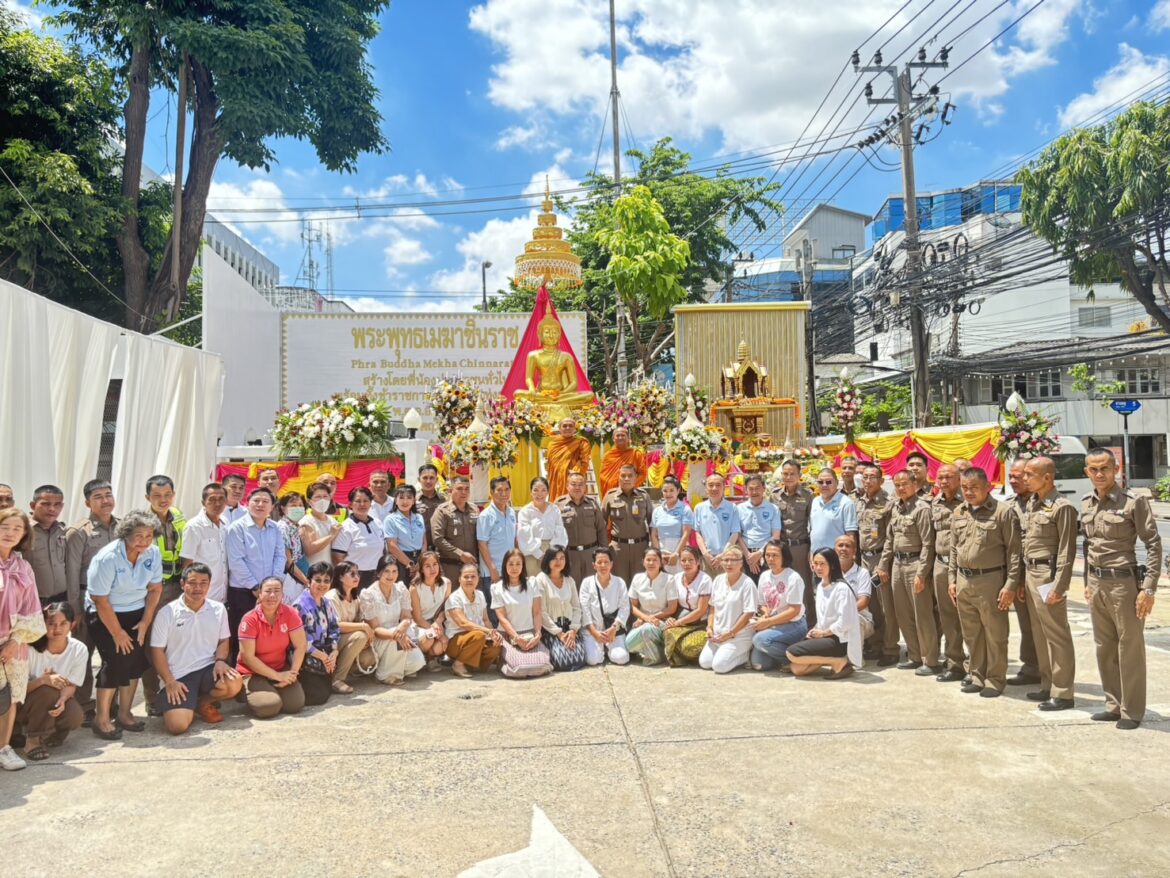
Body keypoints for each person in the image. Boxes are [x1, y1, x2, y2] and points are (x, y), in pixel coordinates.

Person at [1080, 448, 1162, 729]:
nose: (1099, 474)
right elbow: (1087, 547)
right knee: (1104, 648)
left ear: (1116, 469)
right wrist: (1087, 584)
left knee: (1129, 648)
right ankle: (1113, 704)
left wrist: (1148, 589)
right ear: (1086, 472)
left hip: (1123, 584)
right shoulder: (1086, 504)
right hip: (1097, 583)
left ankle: (1132, 711)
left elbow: (1153, 544)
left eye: (1104, 468)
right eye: (1093, 469)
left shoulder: (1132, 503)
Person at [85, 510, 163, 740]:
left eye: (149, 536)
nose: (145, 541)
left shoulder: (153, 553)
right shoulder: (107, 557)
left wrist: (145, 622)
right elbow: (100, 599)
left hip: (136, 613)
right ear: (126, 534)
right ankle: (101, 720)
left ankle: (125, 714)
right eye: (139, 535)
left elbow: (155, 589)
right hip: (106, 614)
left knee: (135, 662)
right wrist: (117, 633)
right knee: (115, 662)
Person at [948, 467, 1021, 699]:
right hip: (963, 580)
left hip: (991, 580)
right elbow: (953, 549)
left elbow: (1014, 552)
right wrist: (952, 579)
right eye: (965, 488)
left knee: (995, 633)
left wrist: (1010, 584)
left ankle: (995, 679)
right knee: (972, 633)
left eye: (974, 488)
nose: (969, 492)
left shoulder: (1003, 512)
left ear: (987, 487)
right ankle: (977, 675)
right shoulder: (959, 512)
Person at [149, 564, 242, 734]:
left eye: (203, 583)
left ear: (209, 585)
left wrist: (220, 661)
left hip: (207, 668)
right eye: (192, 583)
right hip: (178, 675)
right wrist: (170, 682)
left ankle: (201, 703)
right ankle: (184, 705)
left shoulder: (218, 609)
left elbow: (223, 640)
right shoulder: (167, 613)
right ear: (182, 584)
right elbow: (157, 651)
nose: (197, 588)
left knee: (234, 682)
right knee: (177, 726)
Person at [1021, 456, 1078, 711]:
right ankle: (1048, 684)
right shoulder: (1033, 504)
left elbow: (1067, 550)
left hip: (1048, 575)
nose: (1024, 478)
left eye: (1029, 474)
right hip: (1031, 573)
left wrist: (1060, 585)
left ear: (1047, 477)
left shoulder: (1061, 506)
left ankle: (1063, 692)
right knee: (1039, 634)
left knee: (1057, 635)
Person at [64, 478, 118, 720]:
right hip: (88, 600)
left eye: (108, 495)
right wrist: (76, 611)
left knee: (114, 654)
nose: (105, 500)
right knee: (84, 655)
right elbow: (72, 574)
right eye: (98, 497)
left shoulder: (123, 527)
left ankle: (110, 704)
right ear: (87, 502)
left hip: (117, 601)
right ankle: (83, 706)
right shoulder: (78, 532)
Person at [877, 470, 938, 674]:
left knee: (922, 614)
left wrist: (922, 573)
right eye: (897, 484)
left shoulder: (922, 509)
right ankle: (913, 655)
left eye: (905, 484)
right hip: (897, 565)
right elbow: (889, 540)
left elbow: (928, 544)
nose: (901, 488)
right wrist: (883, 564)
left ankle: (930, 659)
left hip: (915, 564)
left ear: (915, 484)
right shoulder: (896, 508)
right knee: (902, 614)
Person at [0, 509, 47, 770]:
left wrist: (15, 641)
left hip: (14, 644)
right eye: (5, 526)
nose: (10, 533)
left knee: (11, 699)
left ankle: (4, 748)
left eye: (17, 529)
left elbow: (32, 607)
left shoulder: (23, 567)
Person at [140, 474, 187, 711]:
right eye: (157, 495)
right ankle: (151, 698)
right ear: (147, 497)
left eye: (167, 495)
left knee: (175, 641)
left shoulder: (179, 517)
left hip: (178, 586)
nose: (163, 499)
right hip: (151, 590)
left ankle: (180, 691)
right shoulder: (141, 522)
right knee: (151, 644)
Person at [19, 603, 86, 760]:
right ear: (43, 625)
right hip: (23, 704)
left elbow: (71, 685)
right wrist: (43, 680)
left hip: (53, 699)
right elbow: (18, 690)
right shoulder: (29, 649)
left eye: (63, 623)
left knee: (75, 715)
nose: (57, 629)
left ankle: (52, 734)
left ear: (72, 624)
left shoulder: (79, 649)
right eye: (51, 624)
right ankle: (32, 740)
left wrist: (62, 700)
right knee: (47, 691)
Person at [225, 488, 285, 663]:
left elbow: (280, 555)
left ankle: (266, 670)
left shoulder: (275, 528)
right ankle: (240, 676)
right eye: (256, 500)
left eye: (265, 501)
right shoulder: (236, 528)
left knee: (266, 635)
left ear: (272, 506)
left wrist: (273, 585)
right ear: (247, 503)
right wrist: (256, 588)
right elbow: (236, 561)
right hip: (243, 592)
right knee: (242, 636)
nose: (260, 505)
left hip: (270, 592)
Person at [237, 576, 308, 719]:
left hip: (280, 668)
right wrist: (277, 676)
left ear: (282, 594)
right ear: (260, 594)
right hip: (253, 673)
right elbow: (248, 657)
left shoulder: (290, 613)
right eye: (268, 591)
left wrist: (292, 674)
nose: (272, 595)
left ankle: (270, 691)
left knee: (295, 705)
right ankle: (245, 692)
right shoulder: (249, 619)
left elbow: (301, 645)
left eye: (277, 591)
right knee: (269, 707)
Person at [786, 547, 863, 678]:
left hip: (840, 639)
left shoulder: (841, 588)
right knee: (797, 669)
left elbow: (845, 622)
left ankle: (840, 661)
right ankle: (835, 662)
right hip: (825, 636)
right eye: (815, 564)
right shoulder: (821, 586)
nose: (818, 568)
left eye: (822, 564)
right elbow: (823, 618)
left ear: (832, 565)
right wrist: (816, 630)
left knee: (791, 653)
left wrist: (823, 633)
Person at [361, 555, 426, 684]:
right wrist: (396, 634)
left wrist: (403, 626)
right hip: (379, 638)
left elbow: (406, 616)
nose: (391, 575)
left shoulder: (401, 589)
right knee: (396, 639)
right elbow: (375, 629)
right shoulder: (368, 594)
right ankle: (386, 675)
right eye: (386, 571)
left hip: (400, 632)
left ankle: (397, 666)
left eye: (394, 571)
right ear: (379, 573)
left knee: (417, 662)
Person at [855, 464, 897, 665]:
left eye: (873, 477)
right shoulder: (859, 501)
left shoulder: (888, 503)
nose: (868, 480)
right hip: (863, 559)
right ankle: (875, 643)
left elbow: (891, 537)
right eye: (865, 477)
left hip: (880, 559)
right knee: (870, 605)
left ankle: (890, 648)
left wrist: (883, 564)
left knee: (885, 605)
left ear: (881, 481)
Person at [929, 464, 967, 683]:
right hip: (941, 565)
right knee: (948, 617)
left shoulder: (968, 501)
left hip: (964, 568)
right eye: (940, 478)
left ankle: (975, 663)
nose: (944, 481)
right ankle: (954, 663)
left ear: (959, 478)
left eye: (949, 477)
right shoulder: (934, 503)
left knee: (969, 617)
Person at [1005, 459, 1040, 686]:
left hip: (1041, 573)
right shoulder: (1009, 505)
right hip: (1018, 573)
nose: (1013, 480)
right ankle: (1031, 668)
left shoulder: (1044, 503)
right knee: (1026, 625)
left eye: (1019, 476)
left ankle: (1050, 672)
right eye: (1012, 476)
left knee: (1045, 626)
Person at [492, 548, 553, 678]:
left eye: (518, 564)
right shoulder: (497, 588)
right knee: (519, 668)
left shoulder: (532, 583)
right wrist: (516, 638)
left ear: (523, 566)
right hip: (509, 636)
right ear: (504, 565)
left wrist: (537, 634)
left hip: (530, 635)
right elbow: (502, 618)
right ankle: (503, 660)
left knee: (542, 665)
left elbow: (537, 612)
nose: (514, 568)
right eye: (511, 564)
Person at [808, 469, 860, 616]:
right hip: (817, 561)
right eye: (821, 482)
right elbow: (813, 531)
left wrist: (848, 559)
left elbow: (850, 535)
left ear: (837, 483)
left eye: (829, 482)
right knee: (821, 599)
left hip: (836, 561)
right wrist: (811, 555)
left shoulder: (846, 503)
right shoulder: (815, 502)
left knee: (838, 602)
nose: (824, 485)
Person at [749, 541, 807, 672]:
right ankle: (784, 650)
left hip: (794, 624)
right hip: (773, 624)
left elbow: (794, 610)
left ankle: (795, 659)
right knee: (760, 665)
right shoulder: (764, 576)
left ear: (784, 557)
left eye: (775, 555)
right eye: (768, 555)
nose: (770, 559)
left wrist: (768, 622)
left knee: (759, 640)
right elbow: (762, 604)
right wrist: (765, 613)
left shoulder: (793, 578)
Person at [698, 548, 756, 673]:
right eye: (726, 560)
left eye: (734, 560)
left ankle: (745, 656)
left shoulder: (747, 583)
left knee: (719, 666)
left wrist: (730, 633)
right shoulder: (718, 580)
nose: (729, 564)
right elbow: (712, 607)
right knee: (705, 663)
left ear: (741, 563)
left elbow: (748, 613)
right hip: (718, 635)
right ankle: (725, 653)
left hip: (738, 635)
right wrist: (709, 627)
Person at [295, 563, 345, 703]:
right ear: (309, 580)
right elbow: (301, 641)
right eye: (317, 580)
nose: (322, 584)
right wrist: (324, 657)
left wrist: (334, 651)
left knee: (323, 694)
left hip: (325, 654)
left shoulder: (327, 603)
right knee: (317, 697)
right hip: (307, 656)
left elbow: (334, 628)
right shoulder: (300, 605)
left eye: (326, 581)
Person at [444, 563, 503, 677]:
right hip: (456, 642)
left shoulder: (480, 595)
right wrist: (487, 631)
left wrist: (493, 634)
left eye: (473, 576)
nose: (469, 579)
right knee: (479, 635)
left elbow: (486, 620)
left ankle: (471, 665)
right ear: (459, 579)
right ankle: (458, 664)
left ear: (478, 578)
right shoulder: (454, 598)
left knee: (496, 647)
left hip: (478, 639)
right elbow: (463, 623)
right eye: (466, 577)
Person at [324, 561, 376, 686]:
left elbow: (359, 620)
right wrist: (363, 627)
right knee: (360, 636)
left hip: (346, 639)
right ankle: (337, 679)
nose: (356, 577)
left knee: (370, 657)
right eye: (352, 574)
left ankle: (346, 672)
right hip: (331, 642)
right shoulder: (332, 597)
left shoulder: (355, 598)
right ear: (341, 577)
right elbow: (336, 626)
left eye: (358, 574)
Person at [535, 547, 586, 671]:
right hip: (551, 630)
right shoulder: (541, 579)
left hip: (569, 629)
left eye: (562, 558)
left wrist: (573, 630)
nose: (558, 561)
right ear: (547, 560)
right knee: (561, 661)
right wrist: (559, 634)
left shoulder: (569, 580)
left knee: (580, 658)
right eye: (554, 558)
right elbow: (542, 612)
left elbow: (576, 608)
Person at [775, 459, 814, 620]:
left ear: (799, 475)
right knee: (782, 585)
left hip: (800, 547)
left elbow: (813, 523)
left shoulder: (808, 496)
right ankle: (783, 620)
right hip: (781, 547)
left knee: (803, 585)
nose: (788, 477)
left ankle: (809, 622)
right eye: (785, 473)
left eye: (792, 474)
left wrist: (811, 549)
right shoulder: (774, 495)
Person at [625, 548, 678, 665]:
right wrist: (645, 618)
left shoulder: (669, 579)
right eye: (648, 560)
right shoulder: (637, 578)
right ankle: (657, 651)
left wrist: (650, 618)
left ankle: (655, 657)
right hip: (643, 622)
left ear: (661, 562)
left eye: (655, 560)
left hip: (662, 622)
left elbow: (672, 608)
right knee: (628, 645)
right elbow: (632, 606)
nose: (651, 563)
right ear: (643, 562)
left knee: (648, 629)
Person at [602, 463, 652, 585]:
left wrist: (652, 546)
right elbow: (601, 524)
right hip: (618, 548)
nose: (626, 479)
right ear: (618, 477)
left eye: (630, 476)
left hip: (640, 547)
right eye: (623, 475)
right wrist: (603, 548)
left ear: (636, 477)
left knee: (641, 583)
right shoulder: (610, 496)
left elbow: (652, 523)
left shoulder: (644, 496)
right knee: (619, 583)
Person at [579, 547, 631, 666]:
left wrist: (614, 628)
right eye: (599, 562)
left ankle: (608, 649)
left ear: (611, 564)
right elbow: (584, 609)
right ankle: (601, 649)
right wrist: (594, 632)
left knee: (622, 658)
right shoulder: (587, 583)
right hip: (593, 630)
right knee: (593, 660)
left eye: (606, 562)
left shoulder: (619, 582)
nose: (603, 565)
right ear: (594, 565)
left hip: (613, 629)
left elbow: (625, 607)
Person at [663, 545, 713, 667]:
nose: (687, 563)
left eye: (690, 560)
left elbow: (701, 610)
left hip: (700, 623)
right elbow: (672, 605)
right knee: (666, 632)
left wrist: (678, 622)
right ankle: (678, 657)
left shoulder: (705, 580)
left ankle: (687, 656)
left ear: (698, 561)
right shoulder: (676, 578)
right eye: (683, 560)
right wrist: (671, 619)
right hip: (681, 620)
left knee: (688, 646)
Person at [477, 477, 517, 622]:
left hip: (510, 569)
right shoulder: (486, 515)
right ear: (492, 492)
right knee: (495, 609)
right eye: (499, 490)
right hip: (492, 572)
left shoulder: (511, 512)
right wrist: (492, 569)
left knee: (510, 607)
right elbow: (482, 543)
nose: (503, 494)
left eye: (507, 490)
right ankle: (498, 641)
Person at [180, 483, 229, 603]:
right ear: (203, 503)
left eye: (221, 499)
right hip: (202, 595)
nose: (217, 503)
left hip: (222, 593)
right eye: (212, 500)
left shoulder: (225, 523)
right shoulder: (194, 527)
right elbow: (187, 562)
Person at [557, 471, 607, 586]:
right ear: (567, 486)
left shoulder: (593, 504)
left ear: (585, 486)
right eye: (573, 484)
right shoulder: (559, 505)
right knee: (572, 587)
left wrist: (603, 552)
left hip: (590, 553)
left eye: (580, 484)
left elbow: (601, 530)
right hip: (570, 555)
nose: (577, 488)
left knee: (592, 587)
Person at [431, 475, 479, 586]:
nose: (464, 492)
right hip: (449, 566)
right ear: (450, 490)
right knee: (450, 599)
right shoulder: (442, 511)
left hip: (471, 567)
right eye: (459, 489)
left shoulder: (474, 509)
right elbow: (438, 539)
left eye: (467, 489)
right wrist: (460, 554)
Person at [693, 473, 744, 577]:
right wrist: (705, 554)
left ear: (724, 488)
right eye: (710, 485)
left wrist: (723, 555)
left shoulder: (732, 508)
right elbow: (697, 533)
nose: (714, 488)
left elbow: (735, 533)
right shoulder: (699, 508)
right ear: (706, 488)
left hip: (727, 559)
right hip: (707, 560)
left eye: (718, 485)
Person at [332, 487, 384, 588]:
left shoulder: (377, 523)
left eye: (366, 501)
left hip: (377, 575)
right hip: (355, 578)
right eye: (358, 501)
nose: (362, 504)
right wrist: (350, 577)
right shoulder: (346, 527)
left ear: (370, 503)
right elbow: (337, 557)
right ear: (350, 504)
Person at [517, 476, 568, 577]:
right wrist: (540, 555)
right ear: (531, 492)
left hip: (553, 551)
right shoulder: (525, 512)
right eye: (536, 490)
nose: (539, 494)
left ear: (547, 492)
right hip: (532, 553)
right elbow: (525, 537)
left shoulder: (554, 509)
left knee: (552, 583)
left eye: (543, 490)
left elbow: (560, 532)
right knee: (535, 585)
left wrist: (552, 554)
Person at [408, 551, 450, 670]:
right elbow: (417, 618)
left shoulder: (447, 583)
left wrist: (438, 621)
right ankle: (418, 659)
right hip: (420, 625)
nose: (432, 569)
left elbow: (446, 608)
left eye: (435, 564)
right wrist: (434, 629)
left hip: (439, 623)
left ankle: (431, 657)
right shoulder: (414, 588)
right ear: (421, 569)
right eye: (427, 566)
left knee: (440, 646)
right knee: (429, 638)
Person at [27, 484, 68, 605]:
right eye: (46, 504)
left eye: (57, 504)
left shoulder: (63, 530)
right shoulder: (22, 530)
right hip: (32, 600)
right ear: (33, 505)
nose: (52, 509)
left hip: (62, 599)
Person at [738, 474, 782, 581]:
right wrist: (748, 557)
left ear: (764, 489)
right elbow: (737, 535)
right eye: (750, 489)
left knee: (767, 589)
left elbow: (776, 535)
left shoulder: (773, 509)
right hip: (745, 555)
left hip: (767, 555)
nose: (754, 492)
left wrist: (760, 553)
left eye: (757, 488)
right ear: (746, 490)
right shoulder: (739, 509)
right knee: (749, 589)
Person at [650, 476, 693, 575]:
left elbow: (686, 534)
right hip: (662, 551)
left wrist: (676, 554)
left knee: (678, 583)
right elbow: (654, 535)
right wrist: (659, 554)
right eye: (665, 491)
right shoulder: (657, 510)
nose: (668, 494)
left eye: (671, 490)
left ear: (678, 491)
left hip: (679, 550)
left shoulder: (685, 509)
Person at [544, 417, 593, 502]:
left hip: (574, 481)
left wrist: (575, 476)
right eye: (565, 426)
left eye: (570, 426)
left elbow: (584, 462)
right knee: (557, 506)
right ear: (560, 429)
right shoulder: (552, 444)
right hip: (556, 481)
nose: (568, 428)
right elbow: (551, 465)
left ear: (575, 429)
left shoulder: (581, 442)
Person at [836, 535, 874, 643]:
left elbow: (863, 601)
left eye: (847, 546)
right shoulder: (829, 573)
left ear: (854, 551)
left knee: (854, 622)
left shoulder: (862, 573)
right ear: (835, 550)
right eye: (840, 545)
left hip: (860, 618)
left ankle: (855, 659)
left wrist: (843, 613)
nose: (843, 549)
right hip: (836, 618)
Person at [384, 484, 427, 575]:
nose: (405, 501)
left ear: (414, 501)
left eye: (409, 497)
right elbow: (392, 546)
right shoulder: (390, 519)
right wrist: (410, 564)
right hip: (400, 561)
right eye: (401, 497)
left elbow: (424, 542)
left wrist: (420, 562)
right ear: (396, 501)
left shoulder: (419, 517)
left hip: (420, 560)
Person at [276, 491, 311, 603]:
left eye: (300, 505)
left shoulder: (296, 526)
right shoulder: (283, 528)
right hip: (291, 580)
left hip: (299, 577)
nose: (297, 508)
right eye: (293, 505)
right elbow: (288, 562)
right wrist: (306, 581)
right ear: (283, 508)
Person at [598, 426, 647, 497]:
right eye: (617, 435)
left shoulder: (635, 454)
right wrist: (615, 485)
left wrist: (629, 485)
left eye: (623, 435)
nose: (620, 437)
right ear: (613, 439)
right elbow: (602, 476)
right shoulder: (608, 455)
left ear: (628, 439)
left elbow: (643, 474)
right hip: (612, 494)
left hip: (630, 493)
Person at [301, 482, 341, 566]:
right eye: (318, 497)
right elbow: (309, 549)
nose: (322, 500)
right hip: (314, 571)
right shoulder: (306, 522)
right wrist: (331, 535)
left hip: (330, 571)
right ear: (309, 501)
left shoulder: (333, 521)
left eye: (325, 496)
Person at [415, 464, 447, 536]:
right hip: (419, 544)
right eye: (425, 478)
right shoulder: (413, 500)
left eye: (432, 478)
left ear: (437, 480)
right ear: (419, 480)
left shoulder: (444, 500)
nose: (428, 481)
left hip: (440, 544)